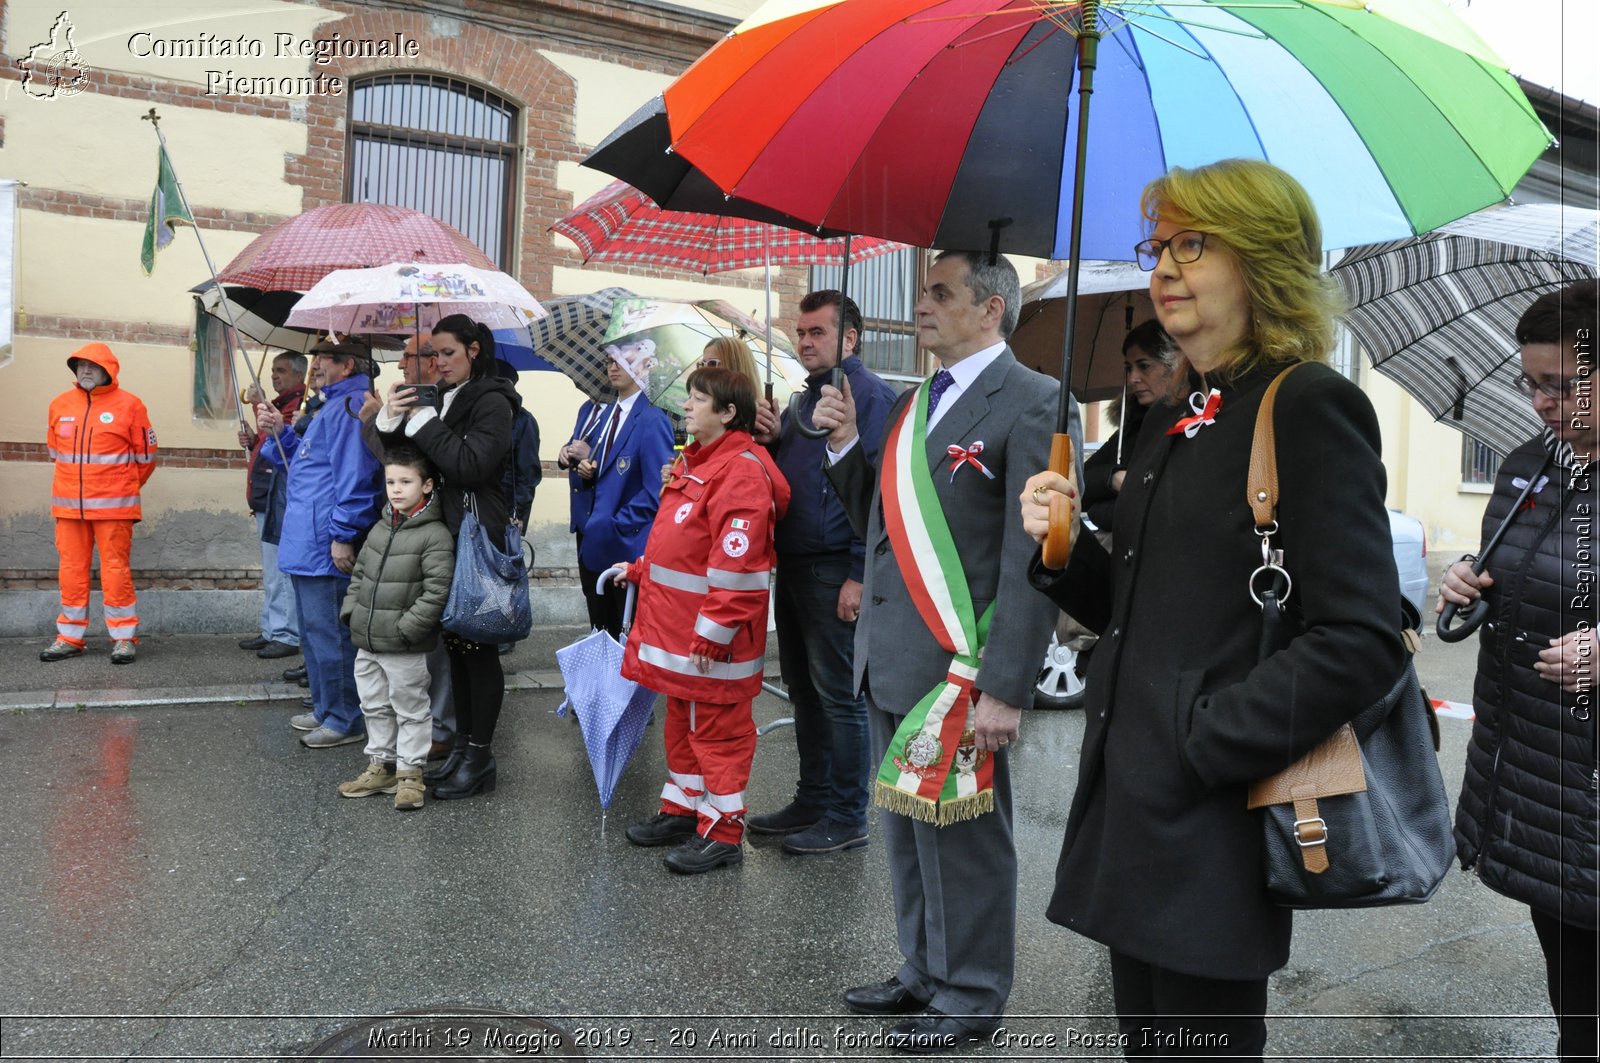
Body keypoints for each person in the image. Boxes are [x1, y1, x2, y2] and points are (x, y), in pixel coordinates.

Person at [1020, 159, 1405, 1061]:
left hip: (1212, 812)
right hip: (1131, 795)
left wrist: (1209, 739)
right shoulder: (1178, 412)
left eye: (1195, 245)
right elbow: (1132, 604)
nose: (1164, 267)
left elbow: (1362, 638)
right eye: (1160, 245)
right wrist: (1067, 549)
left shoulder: (1308, 406)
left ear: (1264, 262)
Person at [812, 251, 1064, 1052]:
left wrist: (1006, 685)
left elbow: (1039, 558)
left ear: (991, 309)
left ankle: (973, 990)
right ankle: (924, 968)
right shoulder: (922, 400)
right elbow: (883, 524)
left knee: (966, 839)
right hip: (892, 655)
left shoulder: (1034, 401)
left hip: (962, 668)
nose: (921, 305)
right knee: (909, 830)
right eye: (924, 290)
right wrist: (848, 445)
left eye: (940, 293)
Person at [1441, 283, 1597, 1063]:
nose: (1541, 402)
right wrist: (1472, 576)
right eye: (1530, 382)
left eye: (1563, 386)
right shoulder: (1529, 465)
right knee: (1574, 998)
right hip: (1534, 777)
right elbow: (1516, 566)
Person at [611, 367, 791, 874]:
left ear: (728, 412)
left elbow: (739, 565)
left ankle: (723, 831)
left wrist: (714, 634)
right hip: (680, 634)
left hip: (711, 642)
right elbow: (686, 548)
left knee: (717, 734)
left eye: (697, 399)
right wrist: (642, 569)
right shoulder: (697, 461)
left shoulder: (741, 471)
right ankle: (685, 810)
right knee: (682, 724)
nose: (687, 407)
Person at [748, 290, 896, 855]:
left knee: (840, 696)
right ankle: (811, 799)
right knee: (803, 692)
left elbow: (875, 492)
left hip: (837, 567)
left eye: (817, 333)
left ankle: (846, 814)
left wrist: (860, 572)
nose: (805, 342)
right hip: (797, 565)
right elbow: (796, 476)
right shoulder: (803, 401)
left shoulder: (871, 398)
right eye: (801, 333)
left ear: (850, 339)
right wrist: (772, 438)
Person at [376, 314, 518, 800]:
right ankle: (462, 747)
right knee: (456, 648)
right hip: (445, 538)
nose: (437, 363)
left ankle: (480, 756)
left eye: (447, 353)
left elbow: (470, 465)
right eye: (433, 354)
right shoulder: (447, 399)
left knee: (478, 650)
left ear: (474, 350)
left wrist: (423, 422)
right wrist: (391, 420)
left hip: (477, 537)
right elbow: (411, 466)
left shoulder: (494, 401)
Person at [255, 339, 383, 749]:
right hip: (307, 541)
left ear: (346, 365)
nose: (315, 368)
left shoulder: (348, 409)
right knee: (313, 634)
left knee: (330, 635)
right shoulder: (331, 405)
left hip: (323, 543)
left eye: (322, 360)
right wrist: (279, 433)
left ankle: (345, 717)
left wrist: (343, 536)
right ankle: (327, 707)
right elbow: (305, 467)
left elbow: (355, 480)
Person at [337, 445, 456, 812]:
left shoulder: (434, 534)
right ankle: (381, 766)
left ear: (427, 485)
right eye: (391, 481)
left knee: (410, 708)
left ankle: (410, 775)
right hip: (369, 640)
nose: (397, 489)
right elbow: (359, 575)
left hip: (404, 645)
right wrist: (351, 613)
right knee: (373, 704)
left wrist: (407, 630)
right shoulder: (380, 527)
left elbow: (437, 591)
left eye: (406, 481)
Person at [40, 343, 158, 665]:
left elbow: (146, 458)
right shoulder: (59, 404)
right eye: (80, 366)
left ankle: (123, 638)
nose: (86, 371)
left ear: (109, 371)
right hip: (69, 509)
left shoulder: (131, 406)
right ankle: (70, 637)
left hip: (113, 509)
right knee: (71, 572)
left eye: (93, 366)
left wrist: (121, 486)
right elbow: (55, 453)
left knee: (115, 572)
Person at [570, 346, 675, 639]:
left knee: (625, 642)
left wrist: (618, 524)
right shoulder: (604, 416)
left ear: (643, 366)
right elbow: (606, 474)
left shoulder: (652, 420)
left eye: (622, 361)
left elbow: (655, 491)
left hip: (626, 549)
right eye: (609, 361)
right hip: (595, 546)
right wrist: (588, 473)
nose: (613, 367)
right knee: (600, 635)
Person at [237, 351, 307, 660]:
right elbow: (268, 447)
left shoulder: (297, 406)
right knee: (270, 571)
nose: (275, 376)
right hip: (266, 496)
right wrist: (253, 441)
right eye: (274, 371)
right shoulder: (279, 404)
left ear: (298, 375)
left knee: (281, 571)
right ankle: (271, 628)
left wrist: (258, 405)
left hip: (280, 497)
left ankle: (286, 633)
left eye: (281, 371)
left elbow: (284, 440)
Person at [1079, 319, 1173, 535]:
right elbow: (1080, 484)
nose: (1133, 378)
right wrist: (1112, 478)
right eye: (1128, 368)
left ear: (1173, 364)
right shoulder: (1131, 428)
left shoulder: (1192, 425)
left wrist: (1102, 509)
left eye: (1144, 366)